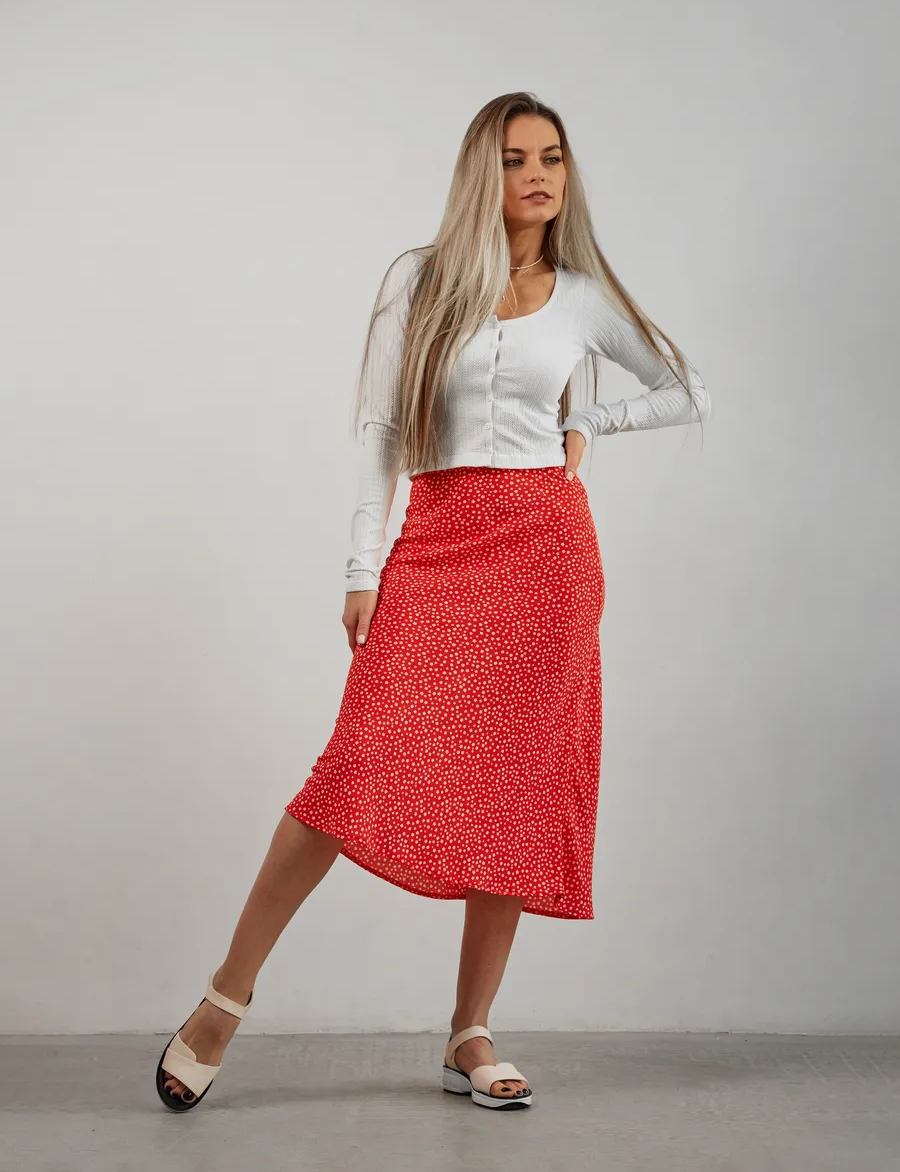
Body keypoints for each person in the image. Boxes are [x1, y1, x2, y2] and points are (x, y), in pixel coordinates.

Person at [155, 90, 711, 1114]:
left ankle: (470, 1032)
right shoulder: (419, 281)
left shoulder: (583, 297)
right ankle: (223, 1000)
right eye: (514, 159)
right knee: (350, 770)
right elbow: (380, 432)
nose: (537, 176)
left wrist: (592, 422)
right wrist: (362, 568)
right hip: (438, 541)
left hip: (548, 557)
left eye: (552, 157)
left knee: (513, 793)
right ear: (479, 174)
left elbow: (690, 389)